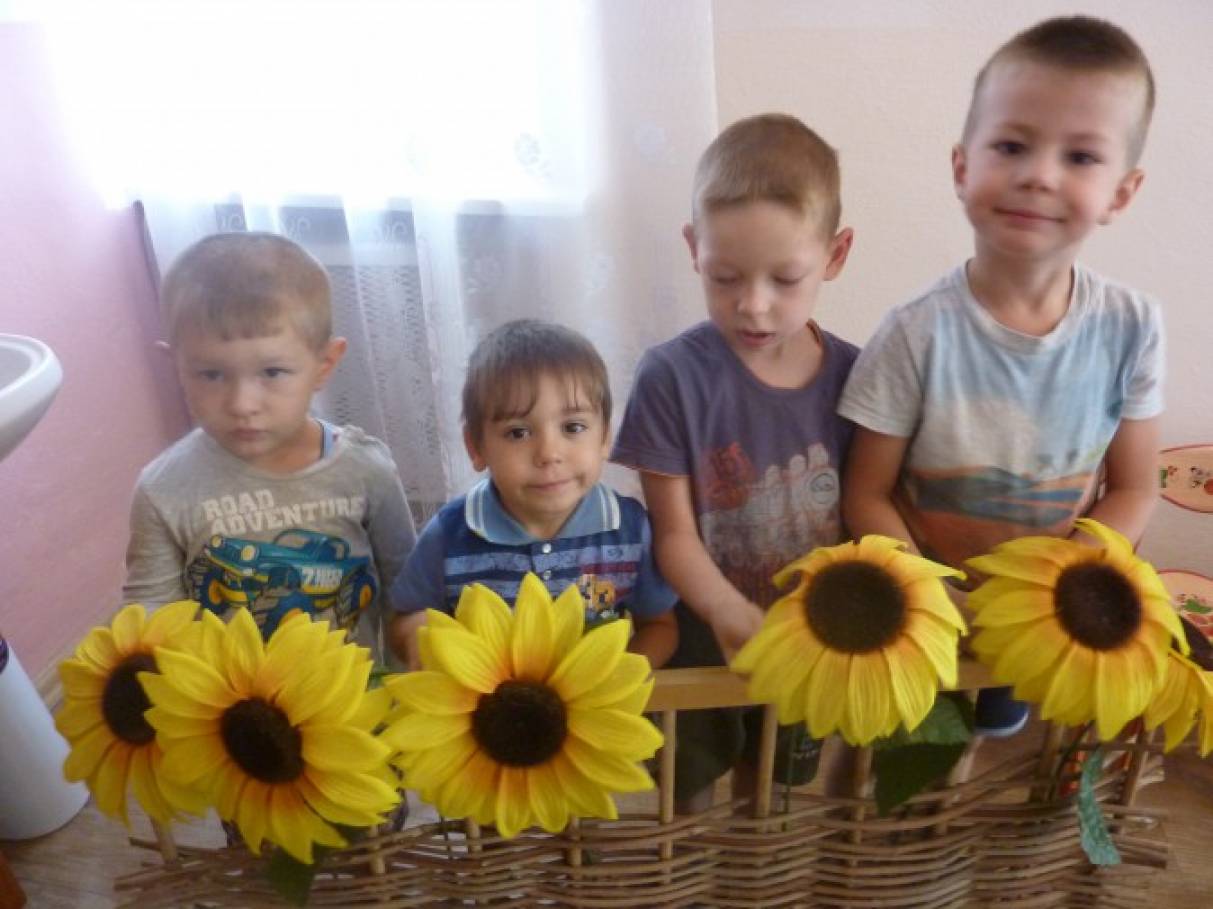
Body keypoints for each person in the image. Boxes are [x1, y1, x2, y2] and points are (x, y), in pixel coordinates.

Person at [839, 16, 1163, 738]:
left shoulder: (1133, 326)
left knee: (996, 736)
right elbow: (866, 492)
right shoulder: (914, 331)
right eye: (1012, 146)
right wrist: (934, 599)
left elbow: (1135, 488)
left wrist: (1058, 592)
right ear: (962, 167)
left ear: (1121, 192)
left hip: (1044, 617)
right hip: (924, 611)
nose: (1039, 174)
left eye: (1080, 156)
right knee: (907, 745)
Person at [611, 113, 859, 811]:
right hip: (698, 622)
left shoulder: (856, 377)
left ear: (835, 254)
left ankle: (755, 858)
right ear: (694, 249)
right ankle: (685, 858)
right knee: (683, 782)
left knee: (771, 781)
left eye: (785, 278)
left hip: (810, 630)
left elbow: (864, 510)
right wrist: (724, 610)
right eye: (724, 277)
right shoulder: (669, 376)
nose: (752, 305)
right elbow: (673, 533)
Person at [124, 231, 416, 661]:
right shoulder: (163, 489)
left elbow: (407, 588)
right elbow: (150, 617)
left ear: (324, 365)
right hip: (228, 695)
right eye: (211, 374)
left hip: (357, 687)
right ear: (176, 368)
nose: (242, 404)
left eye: (273, 372)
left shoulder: (366, 469)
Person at [388, 318, 678, 670]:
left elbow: (660, 627)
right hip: (485, 701)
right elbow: (403, 619)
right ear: (476, 447)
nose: (548, 454)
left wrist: (615, 676)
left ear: (604, 438)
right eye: (518, 433)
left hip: (592, 701)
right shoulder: (449, 534)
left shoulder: (630, 530)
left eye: (573, 427)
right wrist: (420, 637)